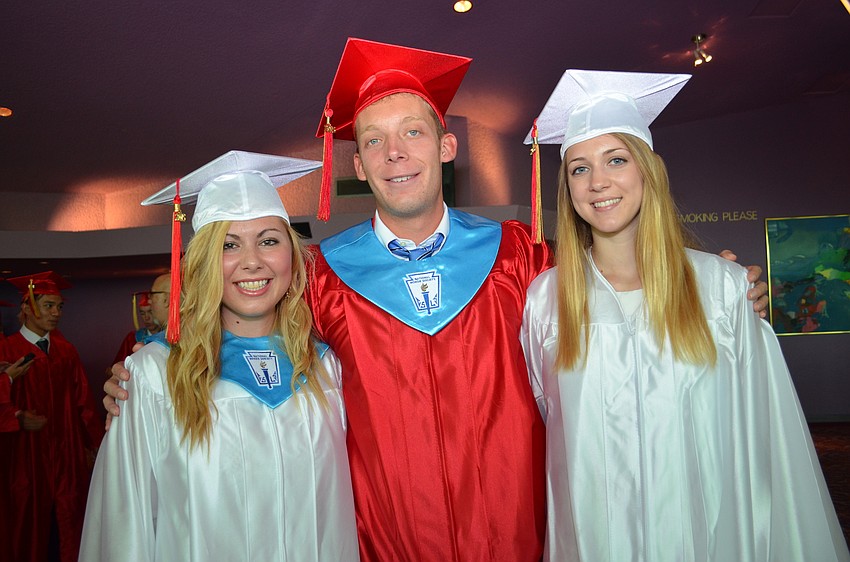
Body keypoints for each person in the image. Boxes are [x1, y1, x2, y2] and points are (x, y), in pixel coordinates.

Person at [105, 39, 769, 561]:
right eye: (374, 140)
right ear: (357, 166)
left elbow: (616, 296)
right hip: (384, 545)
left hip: (521, 540)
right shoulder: (321, 277)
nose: (395, 153)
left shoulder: (520, 256)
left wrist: (712, 285)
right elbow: (246, 336)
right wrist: (148, 375)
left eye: (413, 133)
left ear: (447, 147)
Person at [520, 69, 850, 561]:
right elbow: (550, 423)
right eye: (579, 169)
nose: (598, 182)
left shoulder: (722, 290)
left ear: (649, 171)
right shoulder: (546, 301)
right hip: (593, 540)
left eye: (616, 159)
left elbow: (767, 437)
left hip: (706, 538)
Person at [80, 151, 359, 561]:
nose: (252, 262)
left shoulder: (325, 368)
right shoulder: (154, 374)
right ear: (203, 262)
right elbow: (124, 525)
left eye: (269, 240)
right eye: (229, 245)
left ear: (292, 255)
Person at [0, 271, 104, 562]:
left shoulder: (66, 351)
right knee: (26, 524)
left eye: (59, 306)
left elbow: (84, 402)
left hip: (65, 453)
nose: (56, 313)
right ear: (27, 307)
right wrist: (15, 416)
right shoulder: (6, 350)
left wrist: (96, 446)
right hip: (23, 455)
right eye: (48, 305)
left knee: (68, 523)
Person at [109, 290, 161, 367]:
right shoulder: (132, 338)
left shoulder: (168, 337)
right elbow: (119, 364)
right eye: (142, 313)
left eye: (150, 312)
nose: (146, 318)